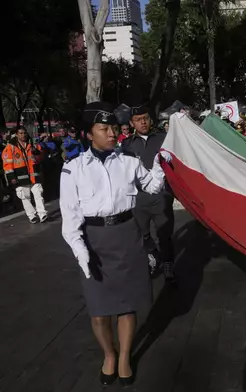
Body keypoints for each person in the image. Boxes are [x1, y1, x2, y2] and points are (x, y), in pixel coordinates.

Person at [60, 102, 170, 387]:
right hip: (94, 242)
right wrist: (79, 248)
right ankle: (109, 354)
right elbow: (70, 217)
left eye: (114, 128)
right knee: (99, 309)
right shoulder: (73, 170)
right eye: (104, 128)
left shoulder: (129, 162)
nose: (112, 134)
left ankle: (124, 359)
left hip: (127, 235)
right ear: (88, 134)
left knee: (127, 304)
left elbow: (154, 186)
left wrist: (159, 167)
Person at [121, 105, 176, 282]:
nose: (143, 122)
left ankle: (168, 265)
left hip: (162, 196)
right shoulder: (127, 145)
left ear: (150, 119)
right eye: (138, 119)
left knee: (164, 234)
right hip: (139, 198)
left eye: (145, 117)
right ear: (131, 123)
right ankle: (153, 255)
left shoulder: (164, 138)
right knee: (141, 234)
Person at [1, 126, 48, 223]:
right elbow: (7, 164)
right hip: (20, 176)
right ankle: (32, 216)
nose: (23, 135)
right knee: (25, 197)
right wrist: (12, 177)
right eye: (21, 133)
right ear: (17, 134)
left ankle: (42, 213)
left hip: (34, 174)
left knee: (38, 193)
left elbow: (42, 156)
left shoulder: (32, 144)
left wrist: (38, 155)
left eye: (24, 133)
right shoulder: (10, 147)